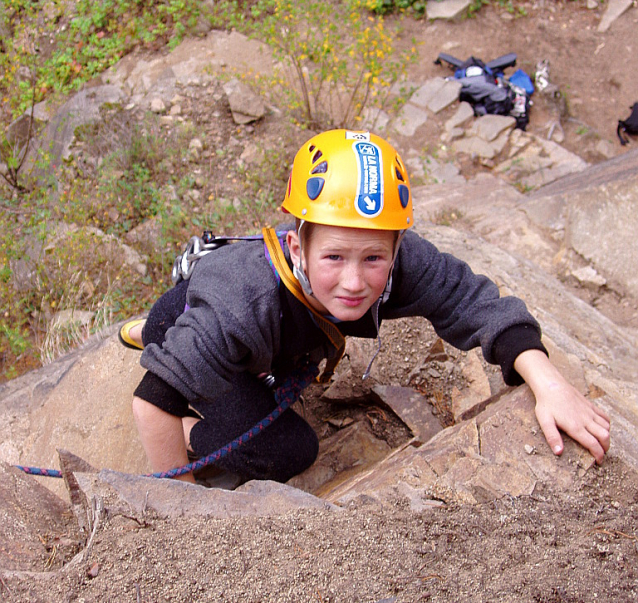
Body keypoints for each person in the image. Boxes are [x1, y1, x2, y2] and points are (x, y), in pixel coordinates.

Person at [123, 129, 610, 486]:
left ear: (396, 249)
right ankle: (169, 348)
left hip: (257, 342)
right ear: (296, 247)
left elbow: (474, 302)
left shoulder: (399, 264)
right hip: (205, 319)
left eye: (374, 258)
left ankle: (171, 342)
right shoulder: (244, 300)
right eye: (333, 257)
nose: (356, 282)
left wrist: (550, 384)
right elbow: (153, 400)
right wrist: (178, 503)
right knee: (290, 449)